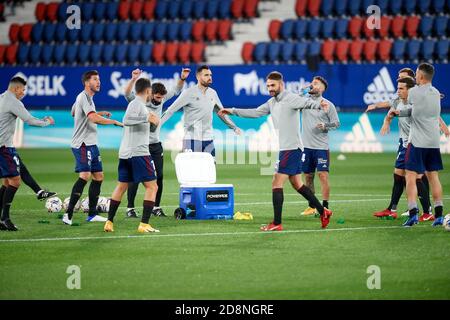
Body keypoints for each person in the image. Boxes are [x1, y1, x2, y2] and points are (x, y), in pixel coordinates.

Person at [219, 71, 333, 231]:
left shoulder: (291, 98)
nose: (270, 88)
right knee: (297, 184)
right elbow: (255, 112)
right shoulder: (271, 102)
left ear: (281, 84)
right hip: (286, 148)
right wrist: (232, 110)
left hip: (292, 148)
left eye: (273, 85)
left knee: (276, 181)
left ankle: (277, 223)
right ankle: (323, 211)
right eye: (268, 86)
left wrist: (320, 104)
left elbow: (307, 103)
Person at [365, 68, 449, 218]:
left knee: (415, 176)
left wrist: (442, 126)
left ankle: (423, 211)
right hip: (408, 141)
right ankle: (403, 209)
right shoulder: (403, 98)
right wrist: (385, 119)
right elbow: (391, 106)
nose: (399, 83)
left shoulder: (416, 97)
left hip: (414, 141)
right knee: (404, 175)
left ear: (412, 81)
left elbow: (430, 111)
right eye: (398, 80)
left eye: (402, 80)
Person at [123, 68, 190, 218]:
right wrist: (133, 79)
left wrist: (182, 78)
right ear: (150, 93)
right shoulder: (139, 102)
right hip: (140, 145)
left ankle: (156, 207)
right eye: (157, 97)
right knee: (136, 177)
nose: (159, 100)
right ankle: (130, 208)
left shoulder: (162, 100)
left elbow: (177, 89)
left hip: (155, 145)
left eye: (161, 98)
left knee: (159, 176)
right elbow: (127, 94)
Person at [62, 70, 123, 226]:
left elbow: (73, 112)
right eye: (95, 79)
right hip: (82, 144)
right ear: (86, 82)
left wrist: (97, 112)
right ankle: (68, 214)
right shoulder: (83, 97)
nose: (99, 82)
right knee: (85, 175)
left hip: (91, 144)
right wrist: (114, 122)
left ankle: (92, 214)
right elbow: (93, 118)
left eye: (99, 79)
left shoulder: (86, 98)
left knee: (99, 176)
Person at [389, 63, 445, 227]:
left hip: (417, 141)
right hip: (433, 141)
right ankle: (439, 215)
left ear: (420, 76)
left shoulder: (413, 92)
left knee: (410, 177)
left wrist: (397, 112)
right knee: (433, 176)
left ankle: (413, 214)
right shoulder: (435, 93)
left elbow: (407, 105)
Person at [104, 77, 161, 233]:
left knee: (121, 186)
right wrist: (147, 117)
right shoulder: (136, 104)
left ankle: (109, 221)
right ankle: (144, 224)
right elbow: (127, 120)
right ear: (148, 91)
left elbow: (145, 129)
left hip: (126, 153)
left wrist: (154, 123)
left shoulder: (141, 107)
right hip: (139, 153)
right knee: (152, 186)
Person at [0, 76, 55, 231]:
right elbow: (29, 120)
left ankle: (38, 191)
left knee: (8, 180)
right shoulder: (13, 102)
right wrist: (47, 122)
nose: (23, 93)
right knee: (15, 181)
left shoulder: (2, 98)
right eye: (23, 90)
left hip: (5, 146)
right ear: (16, 88)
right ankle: (5, 219)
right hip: (3, 148)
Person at [160, 65, 241, 158]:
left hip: (208, 139)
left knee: (210, 170)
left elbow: (222, 113)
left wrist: (234, 127)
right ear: (198, 77)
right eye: (206, 75)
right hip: (191, 139)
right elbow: (171, 110)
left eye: (210, 75)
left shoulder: (213, 93)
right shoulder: (188, 93)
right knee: (192, 170)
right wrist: (158, 124)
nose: (209, 77)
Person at [299, 76, 340, 216]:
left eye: (315, 83)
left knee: (323, 175)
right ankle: (312, 206)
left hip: (321, 147)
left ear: (322, 88)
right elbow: (293, 100)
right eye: (311, 83)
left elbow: (336, 123)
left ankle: (324, 206)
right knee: (308, 177)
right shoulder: (304, 102)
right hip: (306, 147)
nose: (312, 85)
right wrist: (304, 89)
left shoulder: (329, 105)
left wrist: (325, 125)